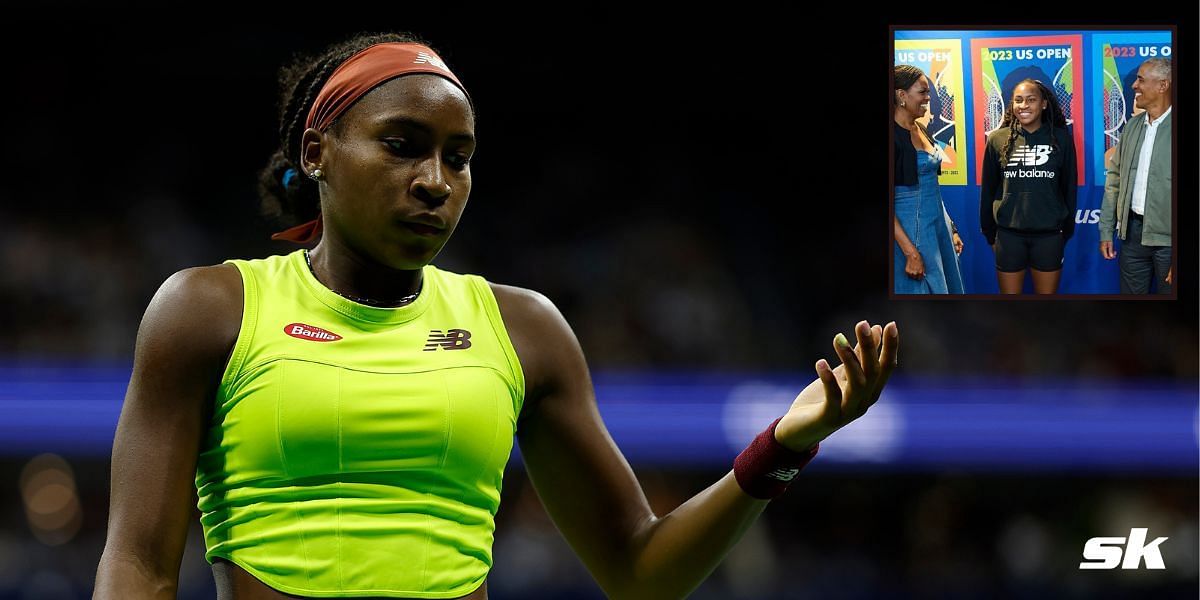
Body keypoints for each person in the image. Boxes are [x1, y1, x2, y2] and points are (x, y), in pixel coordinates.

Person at [95, 32, 901, 599]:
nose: (435, 180)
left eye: (459, 155)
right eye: (403, 144)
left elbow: (641, 570)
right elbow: (137, 567)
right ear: (318, 153)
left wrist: (783, 449)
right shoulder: (211, 309)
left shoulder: (524, 330)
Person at [980, 78, 1077, 294]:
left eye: (1031, 100)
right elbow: (988, 190)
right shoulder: (997, 139)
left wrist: (1065, 232)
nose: (1023, 106)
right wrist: (990, 234)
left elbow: (1069, 189)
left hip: (1049, 237)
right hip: (1008, 237)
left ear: (1043, 104)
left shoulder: (1061, 139)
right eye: (1018, 100)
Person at [1098, 57, 1173, 294]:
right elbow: (1114, 180)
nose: (1134, 85)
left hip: (1169, 242)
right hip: (1131, 235)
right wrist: (1107, 229)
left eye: (1141, 79)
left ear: (1162, 85)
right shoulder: (1132, 126)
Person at [893, 64, 965, 294]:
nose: (927, 98)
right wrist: (910, 252)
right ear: (901, 95)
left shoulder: (922, 130)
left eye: (928, 92)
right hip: (910, 230)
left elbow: (932, 187)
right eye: (922, 92)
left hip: (937, 225)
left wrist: (950, 228)